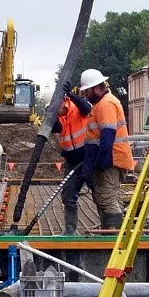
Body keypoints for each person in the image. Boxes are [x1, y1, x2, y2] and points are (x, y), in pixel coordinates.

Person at [79, 69, 134, 230]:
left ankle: (113, 236)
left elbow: (108, 135)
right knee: (102, 197)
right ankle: (108, 232)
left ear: (97, 88)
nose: (85, 95)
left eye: (87, 91)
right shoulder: (99, 105)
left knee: (107, 198)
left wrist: (101, 162)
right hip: (108, 159)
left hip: (112, 160)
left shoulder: (106, 104)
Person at [51, 81, 92, 235]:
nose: (55, 113)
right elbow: (55, 128)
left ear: (63, 103)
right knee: (68, 196)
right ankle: (70, 231)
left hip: (88, 158)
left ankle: (109, 229)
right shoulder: (59, 118)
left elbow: (88, 108)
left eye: (56, 110)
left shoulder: (77, 108)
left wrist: (71, 94)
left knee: (100, 193)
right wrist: (53, 117)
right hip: (71, 161)